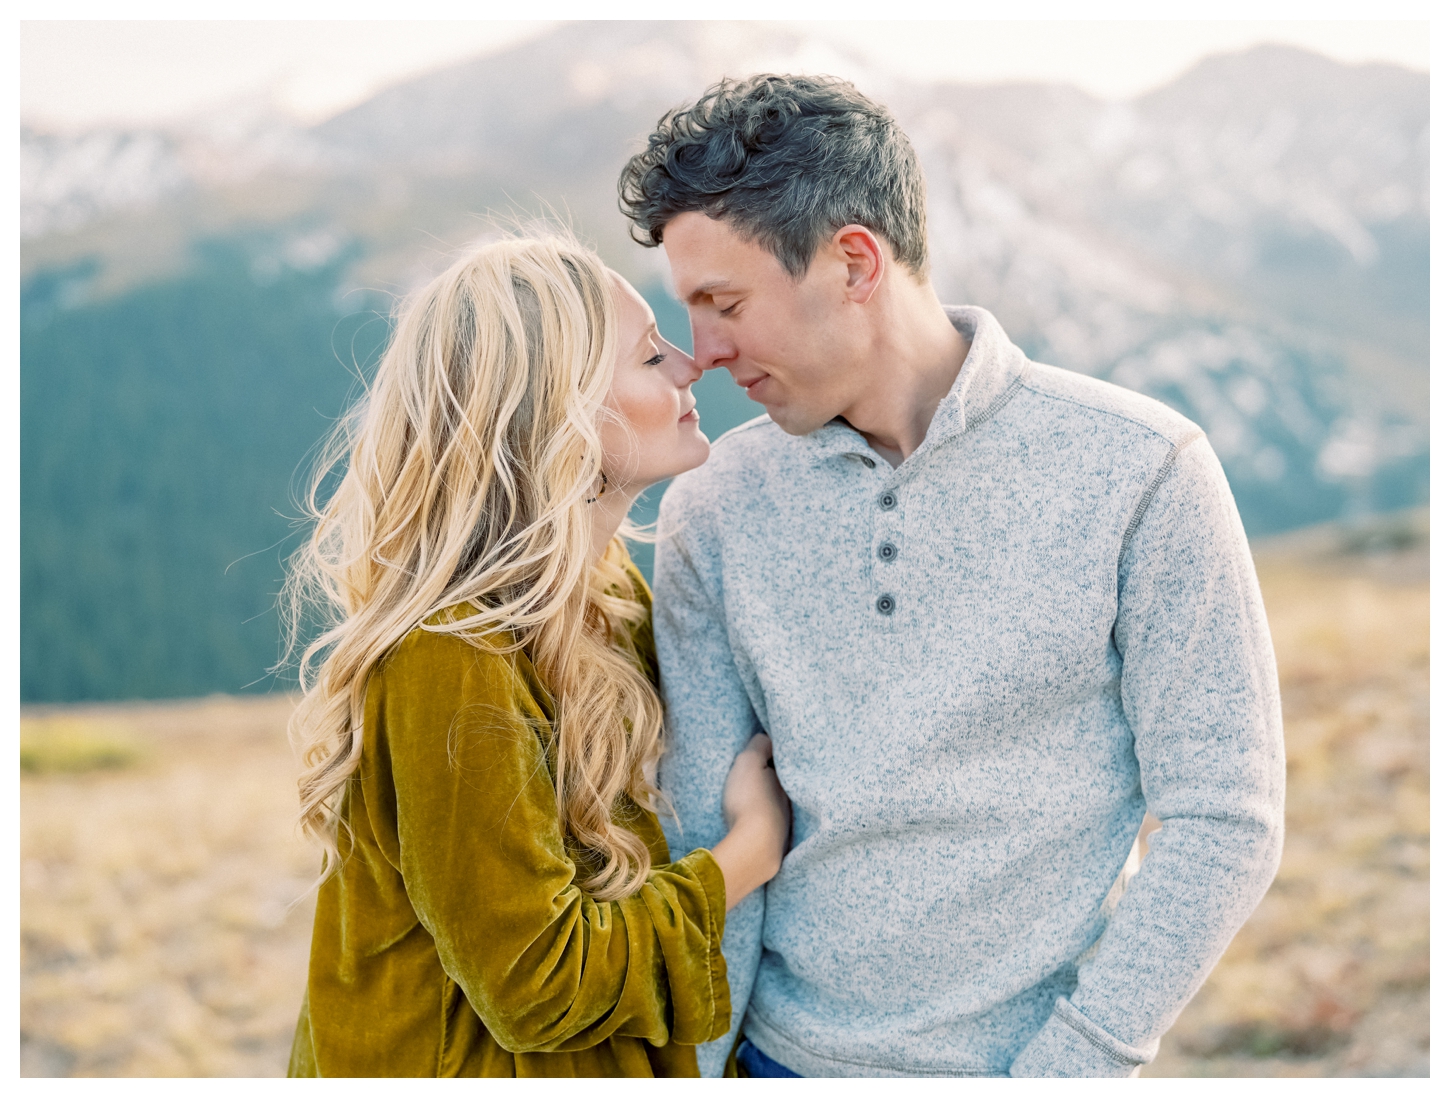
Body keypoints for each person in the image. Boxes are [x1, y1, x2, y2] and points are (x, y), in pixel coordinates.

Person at [618, 74, 1286, 1078]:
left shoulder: (1139, 466)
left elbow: (1223, 815)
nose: (701, 354)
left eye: (724, 304)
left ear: (852, 262)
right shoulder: (714, 504)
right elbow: (707, 829)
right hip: (775, 1064)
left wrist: (1076, 1064)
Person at [281, 235, 792, 1077]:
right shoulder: (450, 652)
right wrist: (749, 851)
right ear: (560, 413)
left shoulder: (607, 594)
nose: (688, 364)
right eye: (647, 355)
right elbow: (536, 984)